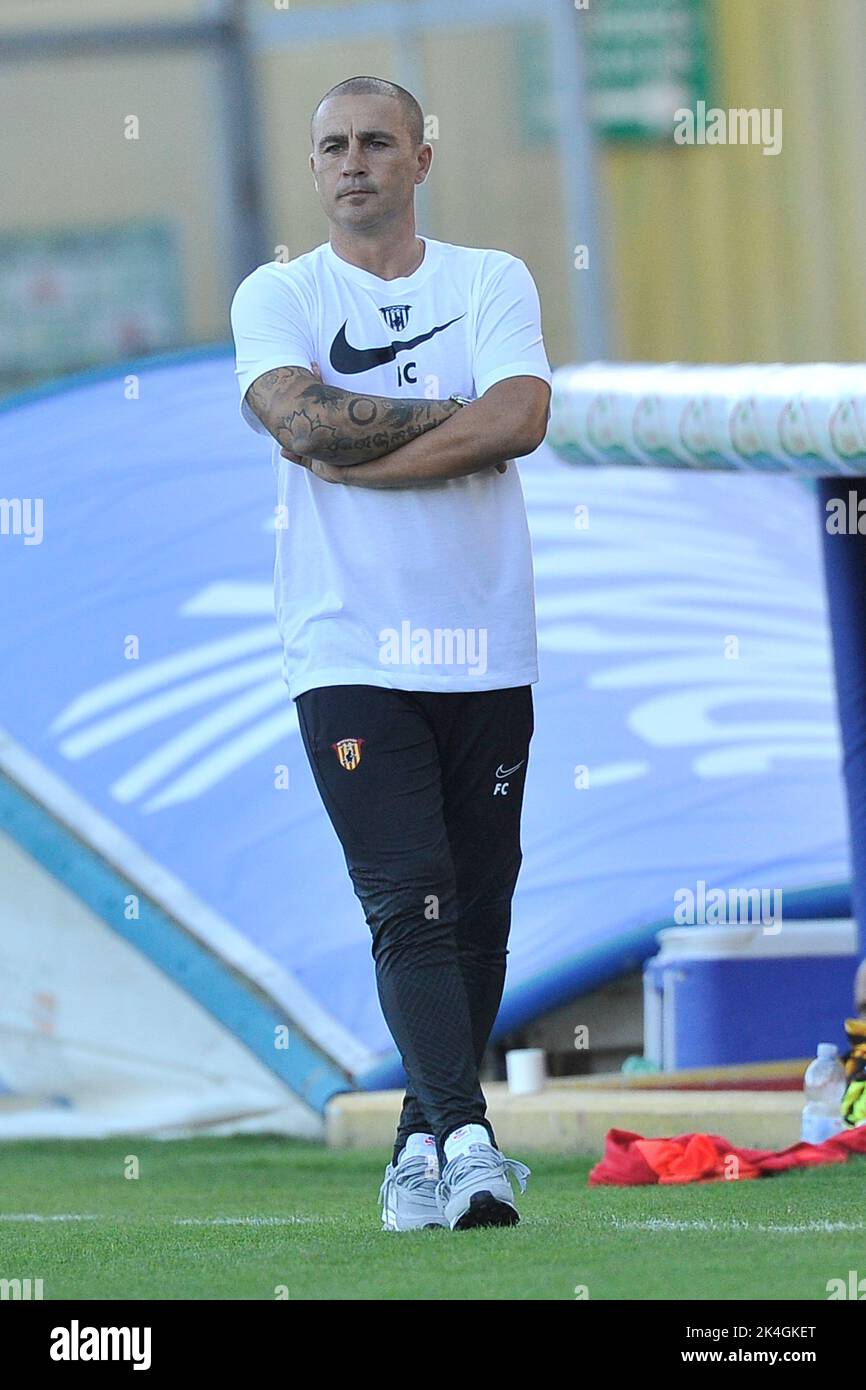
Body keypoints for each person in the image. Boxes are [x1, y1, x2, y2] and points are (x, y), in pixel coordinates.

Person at [230, 75, 551, 1230]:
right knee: (407, 899)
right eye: (333, 146)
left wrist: (359, 439)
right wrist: (450, 420)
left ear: (421, 158)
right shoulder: (277, 293)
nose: (353, 161)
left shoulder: (489, 280)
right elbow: (301, 423)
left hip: (485, 643)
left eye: (377, 141)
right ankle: (467, 1139)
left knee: (480, 908)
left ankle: (416, 1147)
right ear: (313, 169)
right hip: (347, 646)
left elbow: (520, 418)